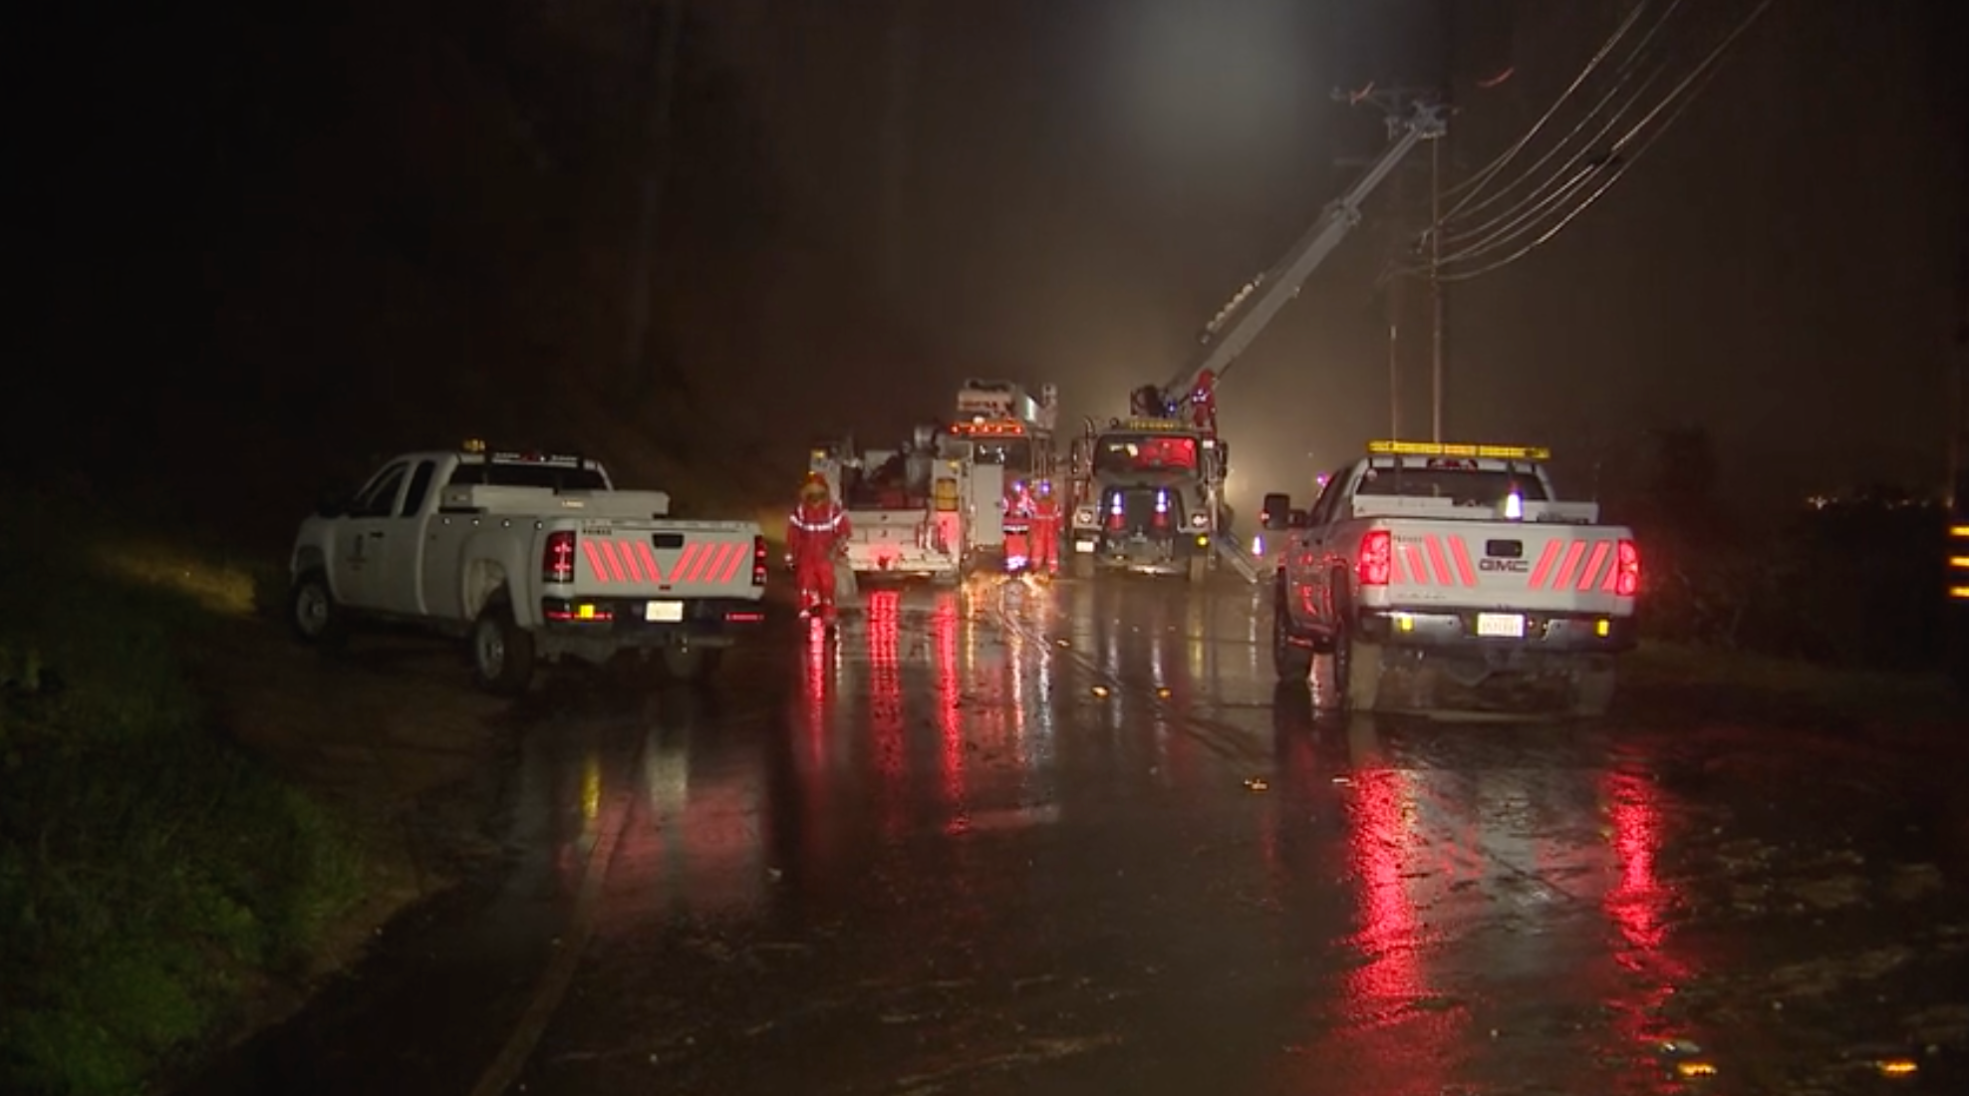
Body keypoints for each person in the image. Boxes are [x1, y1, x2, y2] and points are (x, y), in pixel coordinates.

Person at [787, 471, 850, 624]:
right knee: (805, 583)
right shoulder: (801, 511)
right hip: (806, 555)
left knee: (827, 585)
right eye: (811, 490)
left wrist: (838, 548)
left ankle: (828, 612)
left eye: (817, 490)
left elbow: (843, 530)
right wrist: (791, 554)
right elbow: (793, 534)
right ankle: (804, 611)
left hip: (825, 554)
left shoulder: (831, 510)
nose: (814, 494)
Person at [1028, 479, 1062, 577]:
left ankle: (1042, 568)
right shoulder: (1051, 505)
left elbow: (1058, 518)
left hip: (1044, 530)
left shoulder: (1049, 505)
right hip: (1045, 531)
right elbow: (1058, 519)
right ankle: (1045, 568)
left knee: (1045, 550)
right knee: (1042, 549)